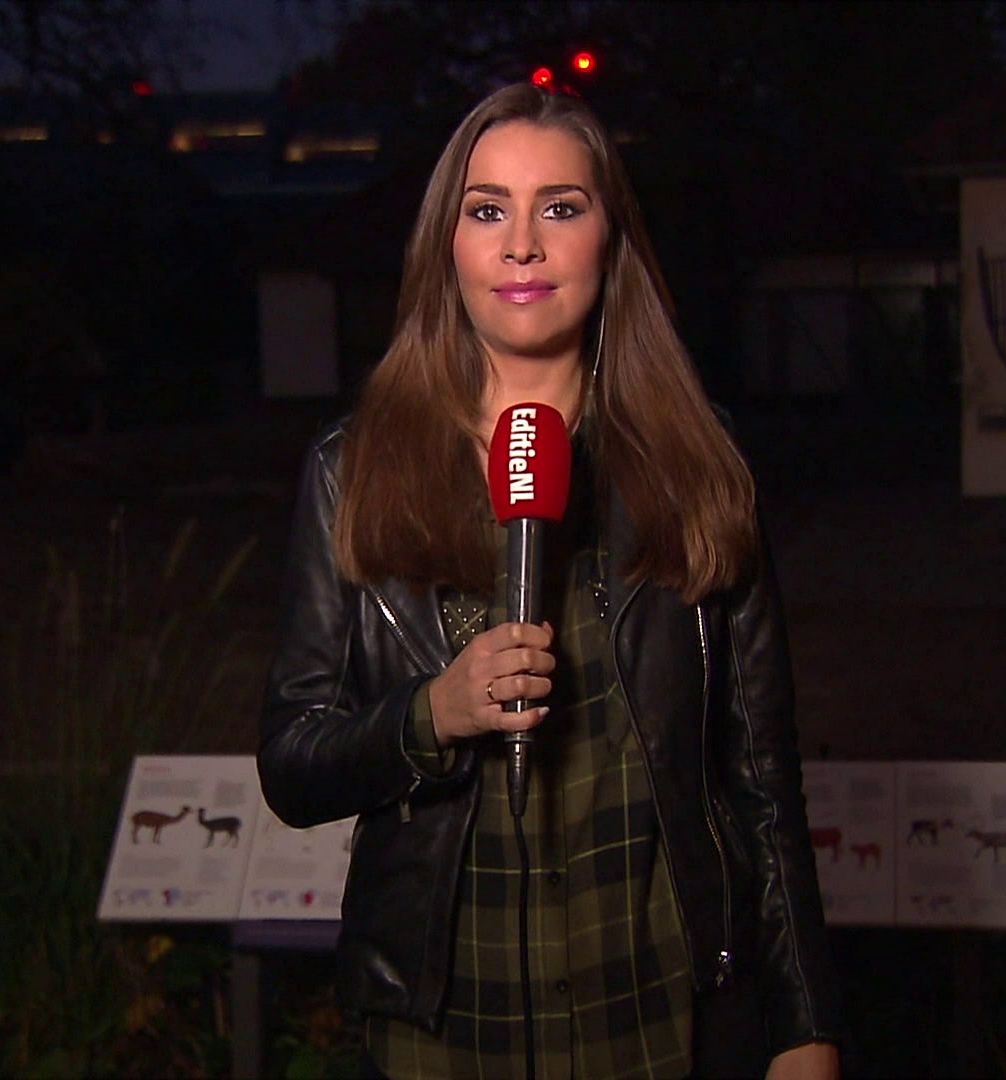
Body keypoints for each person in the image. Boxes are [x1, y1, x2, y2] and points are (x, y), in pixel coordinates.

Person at [258, 83, 844, 1079]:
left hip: (657, 1016)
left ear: (610, 240)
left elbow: (761, 775)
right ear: (447, 246)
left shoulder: (696, 462)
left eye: (560, 207)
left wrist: (805, 1026)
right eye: (488, 210)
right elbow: (293, 761)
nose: (522, 245)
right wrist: (432, 714)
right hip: (446, 1029)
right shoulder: (352, 471)